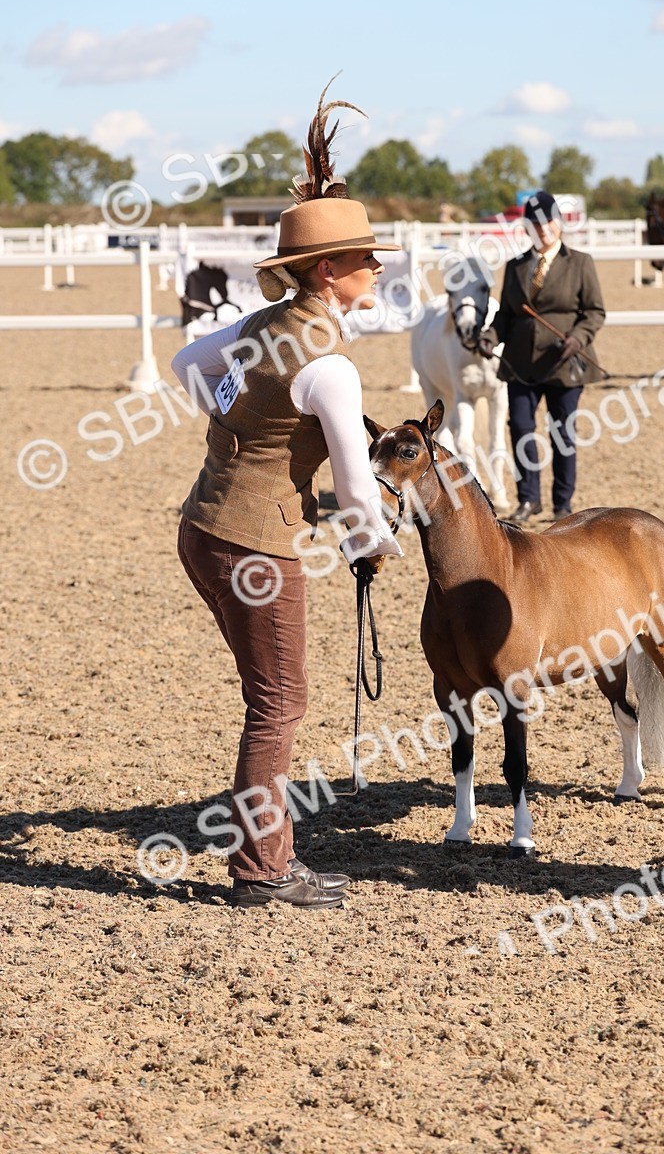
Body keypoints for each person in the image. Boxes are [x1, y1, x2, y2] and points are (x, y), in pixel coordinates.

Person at [171, 83, 403, 911]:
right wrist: (371, 541)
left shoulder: (263, 323)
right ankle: (263, 873)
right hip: (254, 543)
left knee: (267, 698)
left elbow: (184, 366)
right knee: (278, 705)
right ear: (332, 270)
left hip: (203, 523)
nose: (378, 267)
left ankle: (265, 861)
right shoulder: (332, 364)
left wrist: (240, 425)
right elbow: (350, 481)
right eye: (368, 257)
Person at [478, 190, 605, 523]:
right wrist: (490, 335)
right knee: (521, 428)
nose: (543, 229)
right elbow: (505, 315)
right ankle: (528, 499)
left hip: (565, 363)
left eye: (548, 221)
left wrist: (578, 338)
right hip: (521, 365)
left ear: (558, 223)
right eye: (534, 223)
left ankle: (562, 503)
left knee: (562, 432)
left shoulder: (580, 263)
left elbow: (594, 311)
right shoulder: (516, 266)